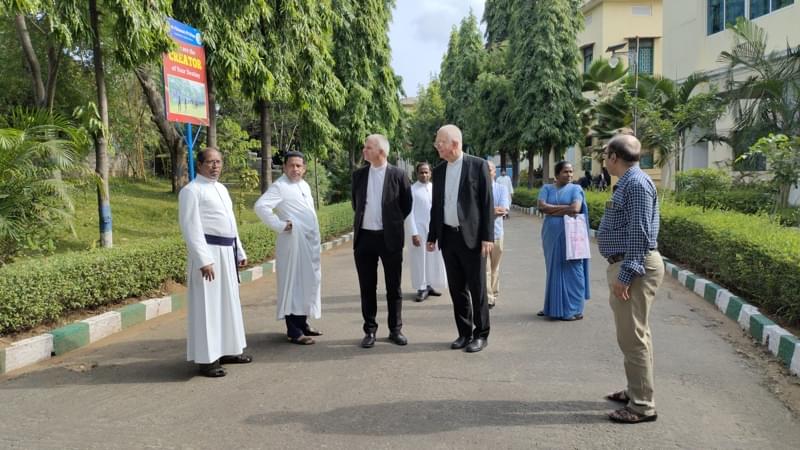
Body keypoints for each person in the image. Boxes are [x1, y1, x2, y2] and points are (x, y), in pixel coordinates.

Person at [597, 133, 664, 424]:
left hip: (633, 267)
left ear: (614, 157)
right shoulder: (630, 181)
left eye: (605, 155)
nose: (604, 160)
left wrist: (625, 275)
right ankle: (635, 390)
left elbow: (639, 233)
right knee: (635, 336)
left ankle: (642, 406)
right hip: (629, 264)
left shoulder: (635, 184)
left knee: (633, 338)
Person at [178, 147, 251, 378]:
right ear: (199, 164)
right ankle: (207, 359)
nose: (215, 166)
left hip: (226, 252)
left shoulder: (221, 189)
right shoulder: (191, 191)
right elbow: (190, 228)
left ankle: (228, 350)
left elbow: (231, 223)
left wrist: (239, 250)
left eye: (218, 161)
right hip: (208, 254)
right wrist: (203, 260)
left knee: (228, 304)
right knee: (208, 307)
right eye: (210, 162)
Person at [426, 124, 494, 353]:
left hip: (473, 239)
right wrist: (432, 235)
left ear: (455, 143)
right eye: (437, 142)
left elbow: (487, 203)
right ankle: (464, 333)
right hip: (448, 237)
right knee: (457, 289)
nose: (437, 146)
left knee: (477, 288)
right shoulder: (439, 171)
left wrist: (488, 237)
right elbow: (436, 206)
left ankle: (481, 334)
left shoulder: (478, 166)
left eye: (440, 142)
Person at [254, 151, 322, 345]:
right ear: (284, 167)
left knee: (308, 282)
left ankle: (303, 323)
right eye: (291, 165)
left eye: (299, 166)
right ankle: (294, 330)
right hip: (292, 243)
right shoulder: (280, 186)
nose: (295, 169)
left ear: (304, 168)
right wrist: (281, 225)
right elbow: (261, 206)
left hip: (309, 243)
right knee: (293, 284)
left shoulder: (304, 185)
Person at [351, 134, 413, 348]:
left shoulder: (399, 175)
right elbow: (356, 204)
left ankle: (395, 329)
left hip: (390, 238)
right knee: (367, 287)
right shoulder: (359, 175)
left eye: (368, 147)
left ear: (381, 152)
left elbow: (406, 205)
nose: (364, 150)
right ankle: (370, 330)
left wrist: (392, 222)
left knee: (393, 287)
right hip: (364, 238)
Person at [536, 161, 590, 321]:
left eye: (571, 171)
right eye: (566, 171)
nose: (569, 174)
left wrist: (551, 210)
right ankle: (553, 307)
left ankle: (574, 309)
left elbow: (575, 209)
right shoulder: (546, 188)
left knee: (574, 269)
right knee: (554, 269)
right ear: (557, 174)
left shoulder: (576, 189)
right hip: (551, 235)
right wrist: (565, 209)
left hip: (572, 235)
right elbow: (541, 207)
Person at [406, 162, 446, 302]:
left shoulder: (435, 188)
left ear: (430, 173)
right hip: (419, 230)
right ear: (417, 174)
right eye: (421, 172)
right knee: (419, 260)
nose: (424, 174)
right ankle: (421, 288)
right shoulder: (412, 190)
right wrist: (414, 233)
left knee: (431, 258)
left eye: (426, 172)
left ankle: (429, 285)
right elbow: (409, 213)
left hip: (433, 231)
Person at [486, 161, 509, 309]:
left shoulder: (501, 189)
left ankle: (494, 293)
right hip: (481, 235)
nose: (487, 172)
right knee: (485, 268)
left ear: (495, 172)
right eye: (484, 169)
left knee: (495, 266)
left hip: (497, 233)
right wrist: (493, 211)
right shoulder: (476, 189)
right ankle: (488, 297)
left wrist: (485, 212)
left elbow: (503, 210)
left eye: (490, 169)